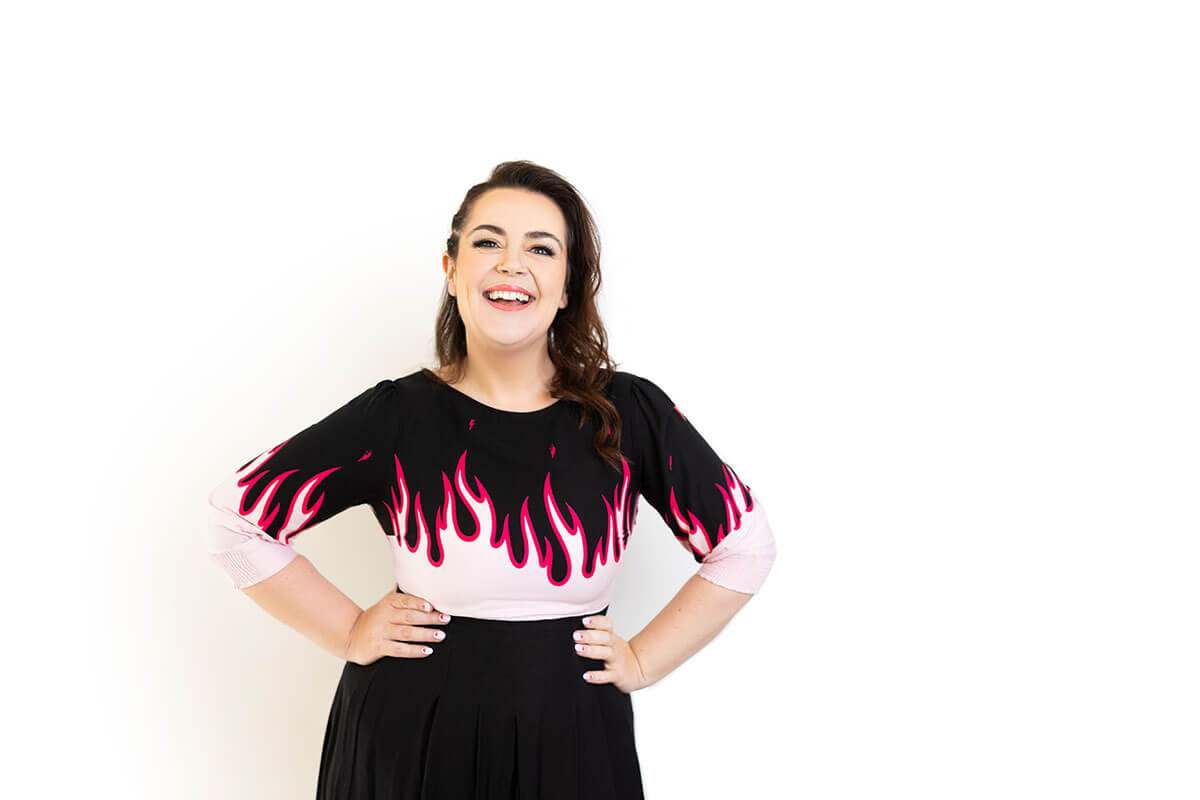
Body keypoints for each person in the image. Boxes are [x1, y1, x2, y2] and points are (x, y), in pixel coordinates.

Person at [205, 160, 778, 799]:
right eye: (488, 242)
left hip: (574, 732)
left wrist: (644, 659)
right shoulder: (397, 415)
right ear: (452, 272)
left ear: (567, 287)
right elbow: (237, 521)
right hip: (408, 734)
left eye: (541, 248)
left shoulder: (626, 413)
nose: (511, 263)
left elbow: (745, 547)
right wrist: (346, 629)